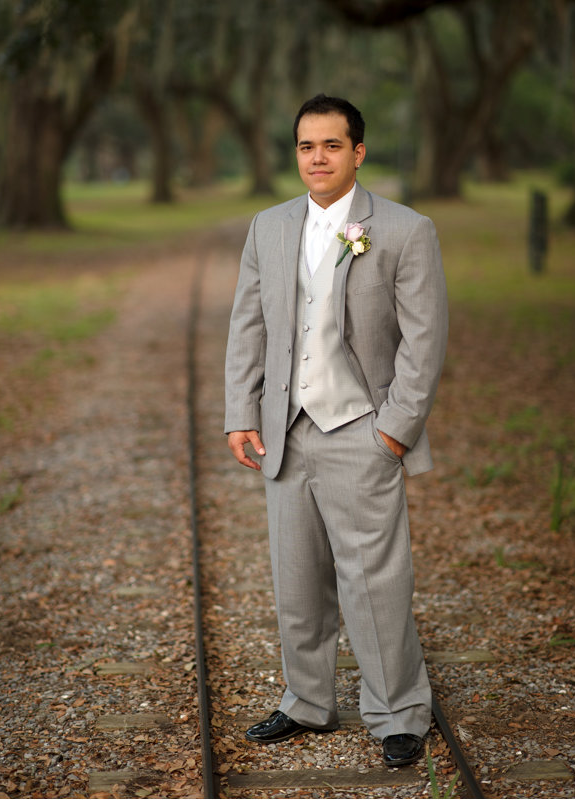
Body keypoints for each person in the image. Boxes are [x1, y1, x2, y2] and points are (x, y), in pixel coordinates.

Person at [224, 94, 449, 766]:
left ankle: (399, 711)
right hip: (286, 431)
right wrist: (241, 410)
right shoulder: (268, 226)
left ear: (357, 151)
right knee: (297, 579)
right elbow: (249, 324)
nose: (316, 158)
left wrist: (394, 432)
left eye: (330, 145)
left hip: (362, 428)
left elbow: (424, 340)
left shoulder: (406, 230)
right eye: (305, 146)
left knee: (375, 582)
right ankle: (306, 702)